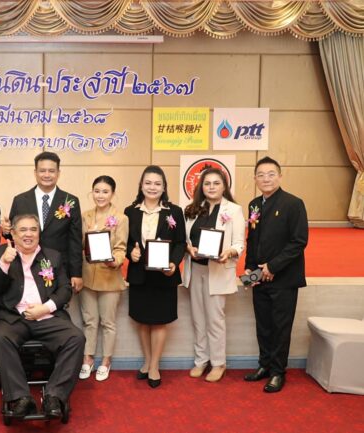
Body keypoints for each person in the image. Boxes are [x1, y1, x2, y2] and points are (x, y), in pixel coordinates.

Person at [0, 214, 85, 419]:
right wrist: (4, 263)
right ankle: (21, 397)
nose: (29, 234)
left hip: (47, 317)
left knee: (76, 338)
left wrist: (45, 308)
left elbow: (65, 289)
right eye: (23, 230)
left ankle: (54, 395)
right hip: (15, 318)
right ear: (13, 234)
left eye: (33, 229)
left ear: (39, 234)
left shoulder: (53, 256)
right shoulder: (2, 253)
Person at [243, 157, 308, 393]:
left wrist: (272, 266)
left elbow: (299, 241)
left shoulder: (293, 203)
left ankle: (278, 372)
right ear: (255, 179)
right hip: (259, 277)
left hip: (284, 278)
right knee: (263, 325)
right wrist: (250, 268)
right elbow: (253, 240)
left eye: (271, 174)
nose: (266, 179)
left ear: (280, 176)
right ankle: (265, 365)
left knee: (281, 327)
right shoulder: (254, 205)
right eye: (261, 175)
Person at [124, 165, 185, 388]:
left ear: (164, 187)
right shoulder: (130, 211)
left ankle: (155, 366)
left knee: (159, 321)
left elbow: (180, 242)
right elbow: (124, 241)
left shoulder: (174, 211)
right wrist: (130, 252)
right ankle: (147, 361)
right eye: (148, 183)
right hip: (139, 274)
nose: (152, 187)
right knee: (142, 320)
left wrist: (174, 263)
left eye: (157, 183)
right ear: (141, 185)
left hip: (164, 275)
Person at [182, 168, 245, 382]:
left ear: (224, 186)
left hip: (217, 270)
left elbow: (239, 243)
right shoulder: (192, 208)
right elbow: (186, 239)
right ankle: (201, 360)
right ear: (201, 187)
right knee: (198, 319)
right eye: (207, 183)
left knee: (215, 319)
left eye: (216, 183)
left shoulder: (234, 210)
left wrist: (230, 252)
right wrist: (188, 248)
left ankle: (218, 363)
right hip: (195, 269)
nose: (211, 187)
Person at [1, 151, 83, 292]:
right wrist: (6, 230)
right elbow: (13, 234)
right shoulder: (20, 200)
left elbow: (75, 240)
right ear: (35, 172)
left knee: (58, 303)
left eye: (51, 171)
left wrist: (76, 273)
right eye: (42, 170)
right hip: (26, 267)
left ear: (58, 173)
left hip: (59, 267)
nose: (47, 175)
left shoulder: (70, 201)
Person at [78, 175, 128, 382]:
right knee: (89, 321)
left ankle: (106, 361)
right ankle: (87, 358)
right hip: (87, 276)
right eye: (97, 191)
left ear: (112, 194)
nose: (100, 195)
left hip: (109, 277)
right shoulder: (85, 216)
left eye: (105, 192)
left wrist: (114, 260)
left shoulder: (121, 218)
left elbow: (121, 248)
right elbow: (79, 244)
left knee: (108, 322)